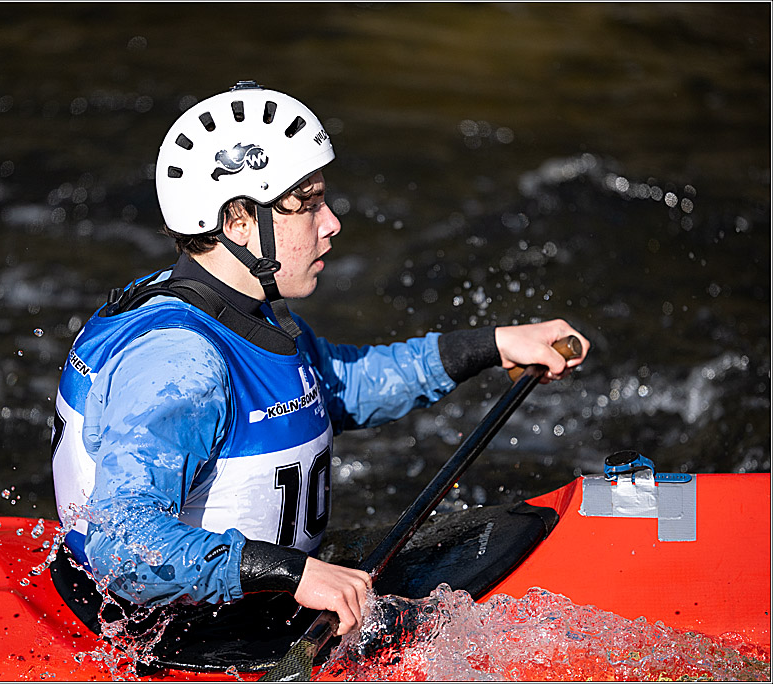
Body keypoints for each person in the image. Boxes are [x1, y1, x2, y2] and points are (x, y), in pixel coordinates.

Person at [49, 80, 589, 659]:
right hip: (193, 636)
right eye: (306, 205)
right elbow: (124, 546)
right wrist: (296, 574)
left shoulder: (238, 310)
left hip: (258, 600)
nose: (331, 222)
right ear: (238, 221)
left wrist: (495, 345)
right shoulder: (180, 365)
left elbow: (342, 385)